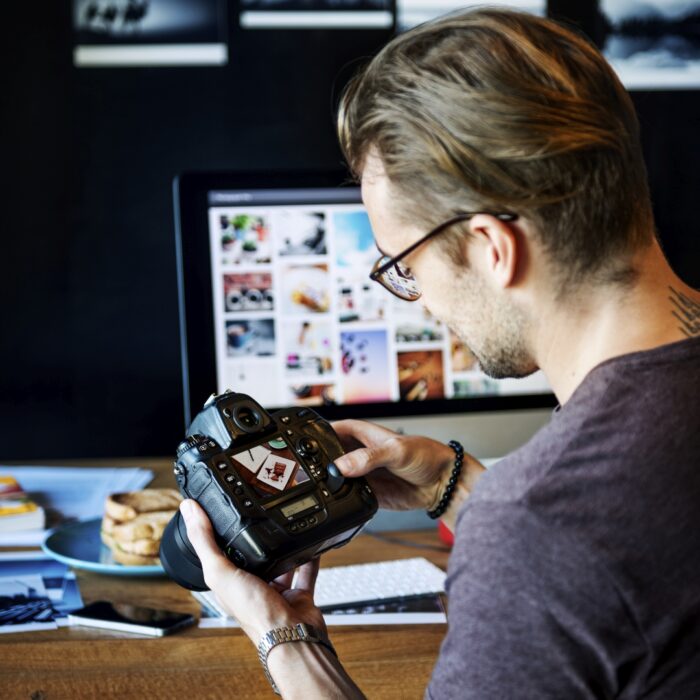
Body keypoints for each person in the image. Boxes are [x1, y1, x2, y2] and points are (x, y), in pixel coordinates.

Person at [179, 8, 700, 698]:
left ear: (492, 249)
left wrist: (287, 638)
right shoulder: (564, 520)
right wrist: (454, 487)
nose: (418, 299)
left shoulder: (539, 531)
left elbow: (573, 543)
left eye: (405, 266)